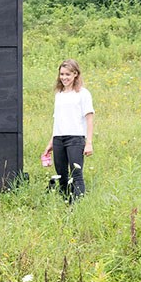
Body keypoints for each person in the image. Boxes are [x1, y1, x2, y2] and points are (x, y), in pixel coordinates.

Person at [42, 59, 94, 202]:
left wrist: (89, 142)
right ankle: (65, 201)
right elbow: (57, 121)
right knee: (61, 174)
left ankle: (77, 205)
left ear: (75, 74)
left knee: (76, 173)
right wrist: (50, 143)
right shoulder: (59, 95)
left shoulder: (83, 94)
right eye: (62, 74)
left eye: (68, 74)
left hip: (75, 138)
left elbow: (89, 118)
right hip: (59, 138)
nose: (64, 78)